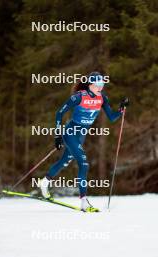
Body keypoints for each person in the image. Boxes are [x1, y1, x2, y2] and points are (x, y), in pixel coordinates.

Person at [39, 72, 129, 212]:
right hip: (70, 133)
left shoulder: (102, 98)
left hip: (81, 135)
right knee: (84, 163)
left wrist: (121, 110)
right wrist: (57, 136)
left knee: (65, 160)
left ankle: (44, 183)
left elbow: (111, 117)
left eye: (102, 84)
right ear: (90, 84)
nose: (100, 87)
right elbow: (59, 113)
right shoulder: (79, 96)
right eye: (97, 84)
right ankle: (84, 202)